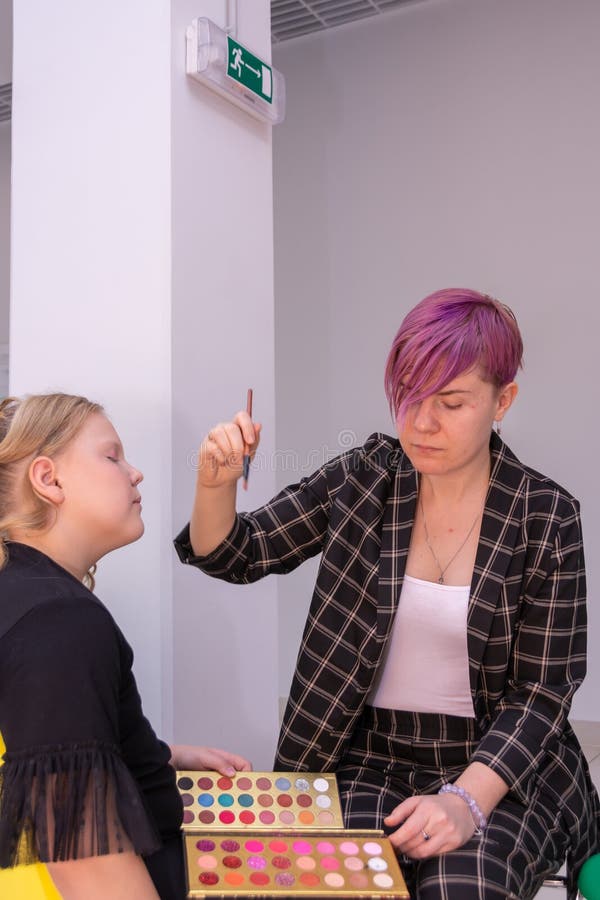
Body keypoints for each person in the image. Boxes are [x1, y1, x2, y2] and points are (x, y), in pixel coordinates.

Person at [174, 288, 600, 900]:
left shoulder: (545, 516)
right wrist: (214, 483)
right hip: (368, 756)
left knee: (462, 887)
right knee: (328, 885)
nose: (422, 423)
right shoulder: (365, 478)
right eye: (409, 397)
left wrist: (464, 803)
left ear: (502, 401)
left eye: (452, 403)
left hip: (498, 767)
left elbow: (543, 692)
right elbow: (239, 553)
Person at [0, 393, 251, 900]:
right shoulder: (57, 620)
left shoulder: (22, 596)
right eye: (112, 456)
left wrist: (155, 757)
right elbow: (84, 857)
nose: (135, 473)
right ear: (49, 480)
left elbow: (35, 740)